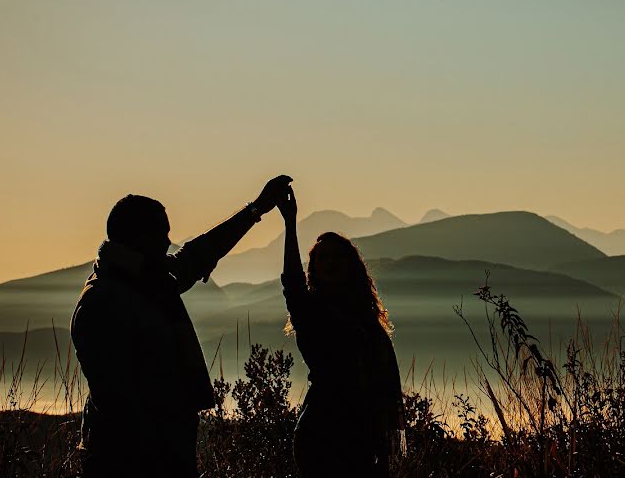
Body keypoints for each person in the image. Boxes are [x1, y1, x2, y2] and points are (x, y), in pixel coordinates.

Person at [71, 175, 292, 478]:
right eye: (160, 234)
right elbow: (117, 399)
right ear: (136, 238)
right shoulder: (103, 302)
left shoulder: (148, 280)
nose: (167, 242)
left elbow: (196, 256)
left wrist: (256, 209)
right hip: (130, 461)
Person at [277, 186, 406, 478]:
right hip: (323, 432)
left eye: (338, 257)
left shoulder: (364, 316)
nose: (331, 263)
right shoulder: (310, 311)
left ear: (351, 265)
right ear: (314, 268)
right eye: (323, 258)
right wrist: (289, 223)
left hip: (363, 434)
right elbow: (292, 282)